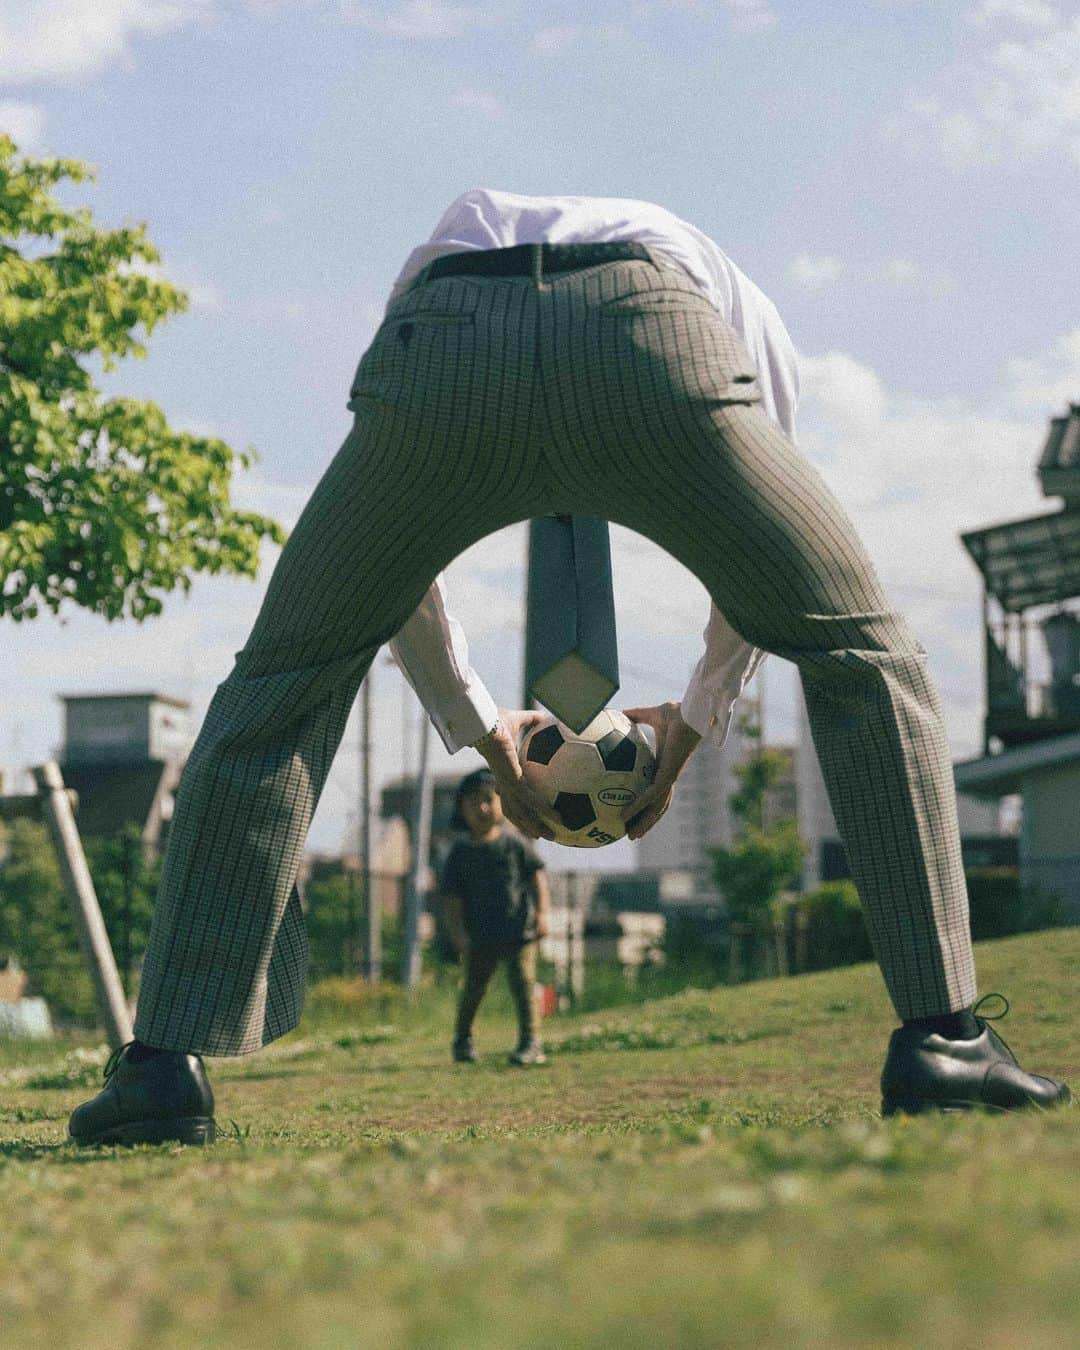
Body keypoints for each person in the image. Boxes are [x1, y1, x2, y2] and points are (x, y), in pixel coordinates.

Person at [70, 189, 1071, 1146]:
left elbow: (400, 586)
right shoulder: (736, 291)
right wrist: (692, 722)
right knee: (864, 654)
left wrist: (481, 731)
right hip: (651, 325)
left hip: (448, 334)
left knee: (282, 688)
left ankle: (163, 1068)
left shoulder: (445, 253)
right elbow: (773, 583)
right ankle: (944, 1041)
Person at [440, 768, 550, 1066]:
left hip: (519, 930)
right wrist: (458, 933)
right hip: (480, 935)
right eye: (473, 802)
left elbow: (537, 877)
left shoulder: (515, 843)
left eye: (489, 799)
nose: (482, 808)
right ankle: (463, 1041)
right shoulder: (459, 853)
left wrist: (542, 914)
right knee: (474, 988)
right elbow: (451, 899)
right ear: (461, 808)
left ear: (502, 802)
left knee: (524, 985)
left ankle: (531, 1043)